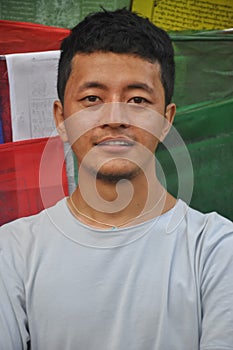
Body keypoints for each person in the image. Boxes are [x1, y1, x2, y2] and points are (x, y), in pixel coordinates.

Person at [0, 8, 233, 350]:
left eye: (137, 100)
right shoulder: (12, 252)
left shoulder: (217, 250)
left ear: (166, 120)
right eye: (92, 99)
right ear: (61, 118)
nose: (114, 118)